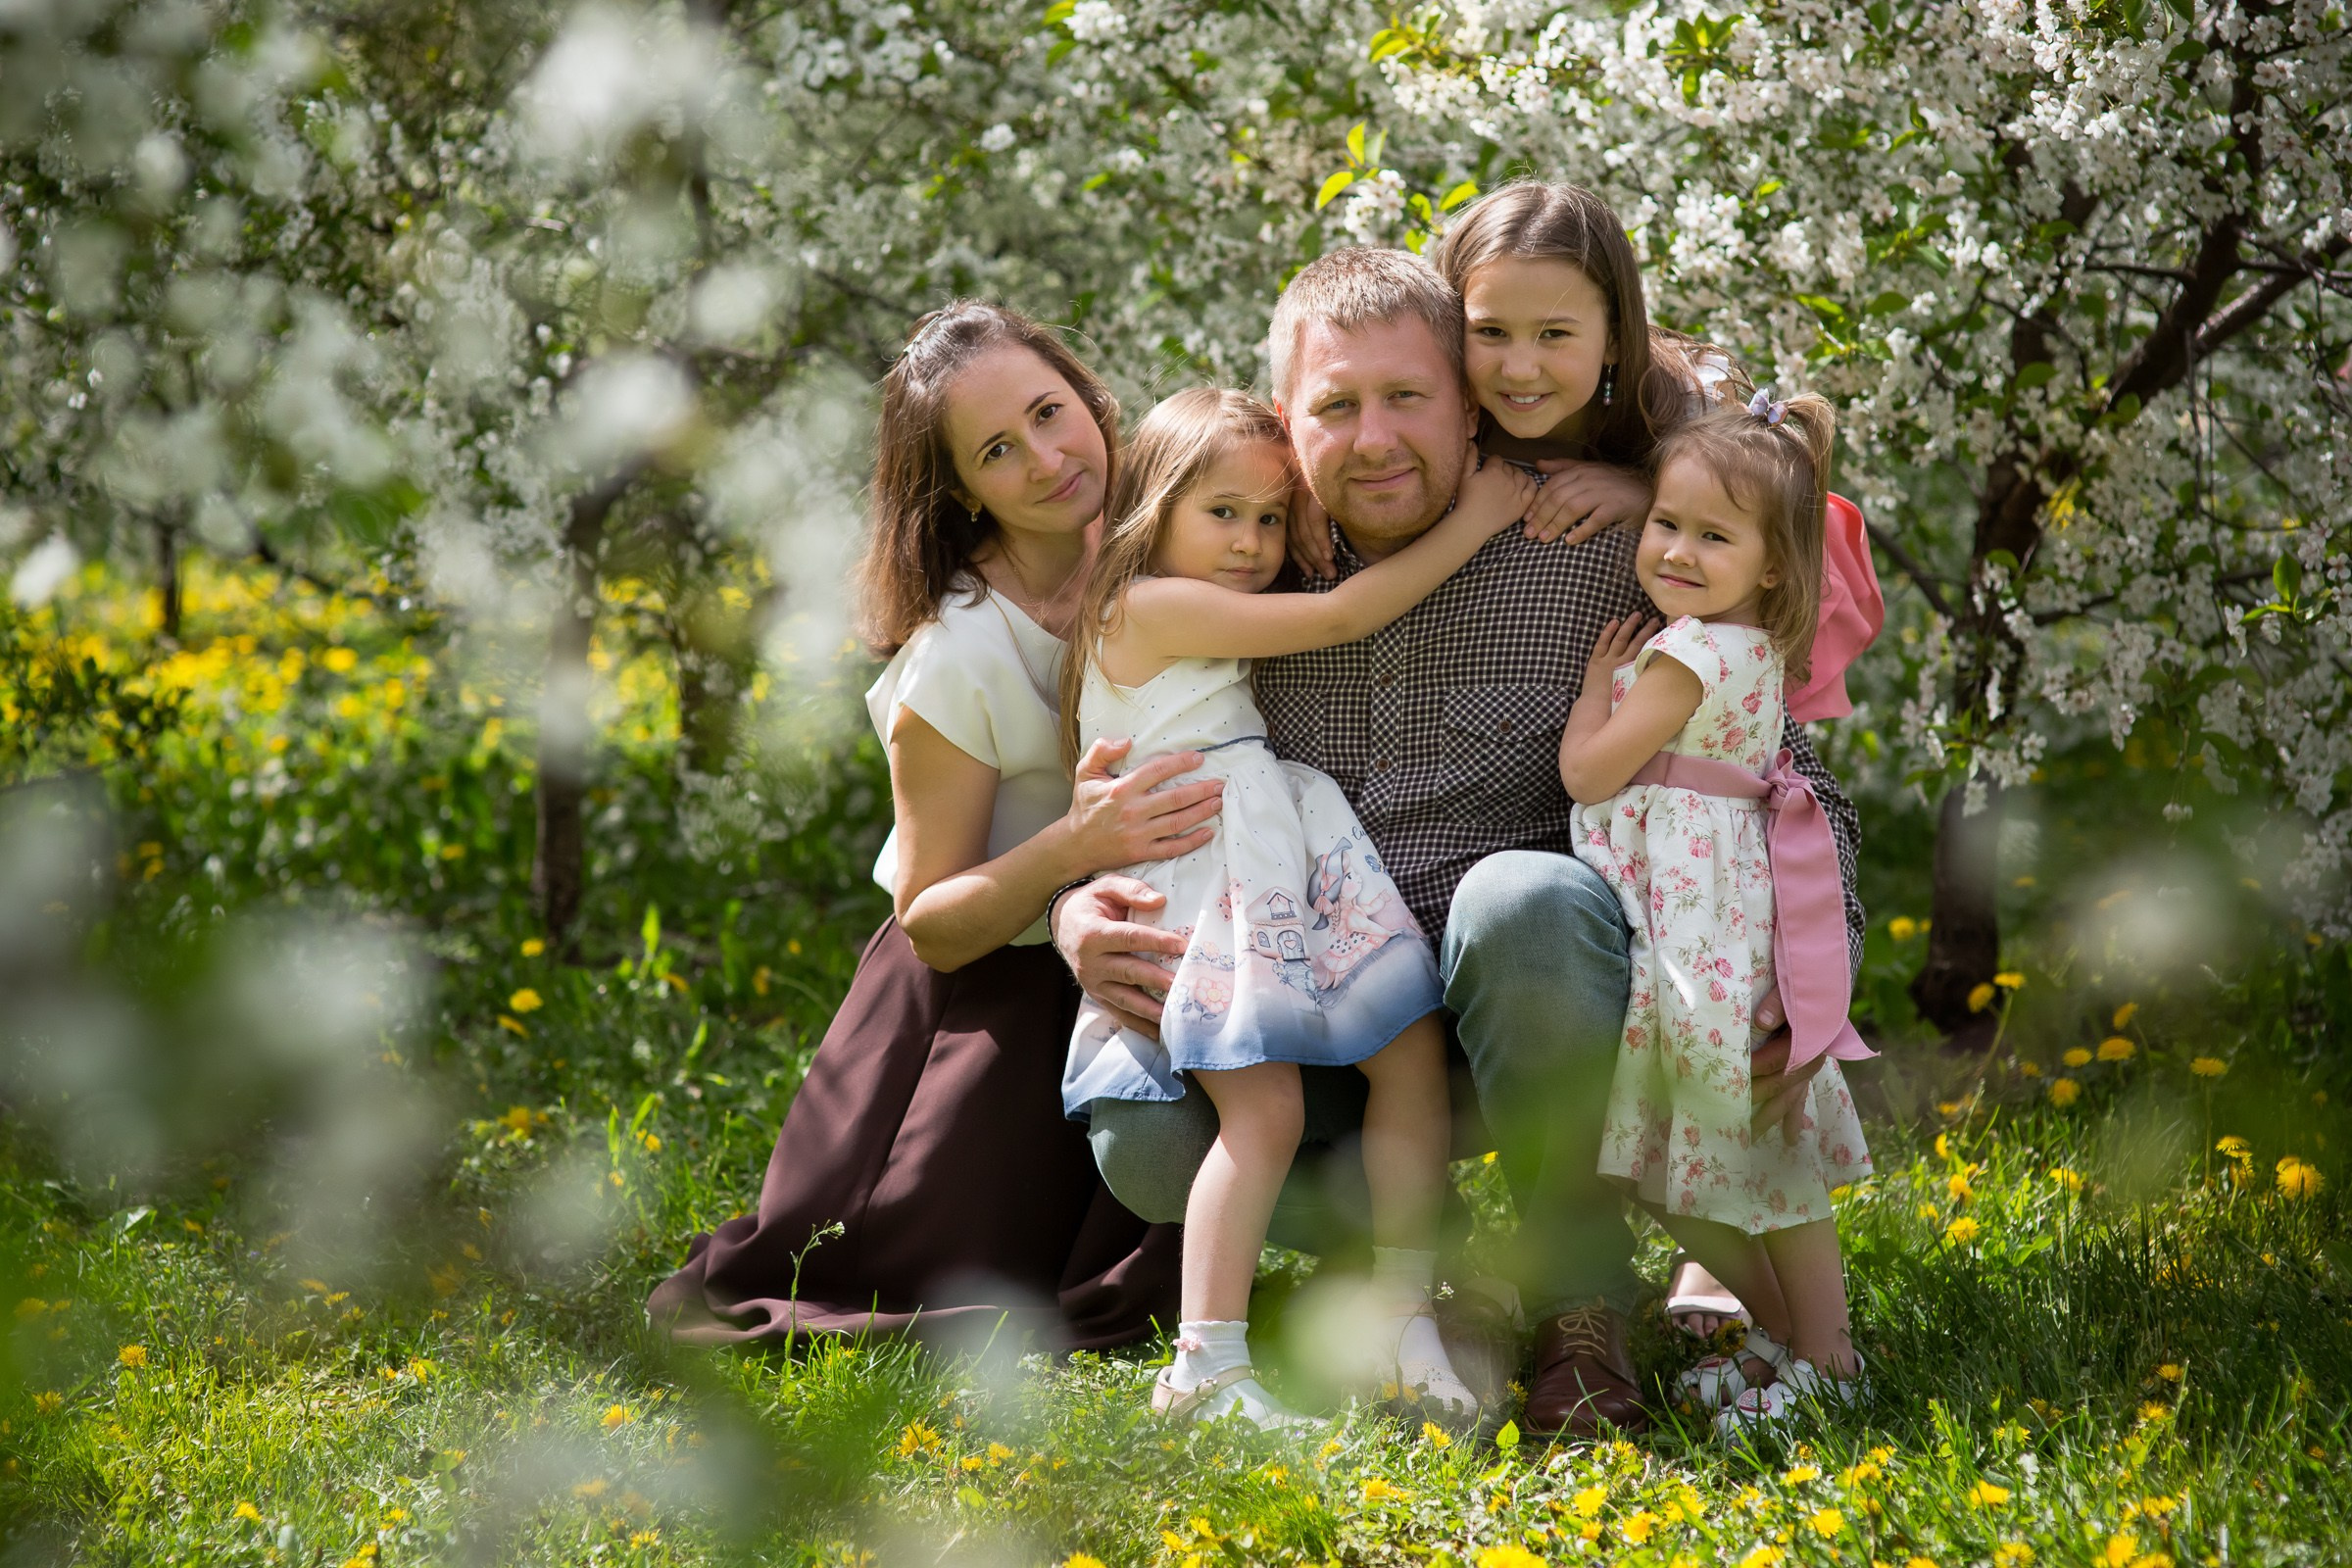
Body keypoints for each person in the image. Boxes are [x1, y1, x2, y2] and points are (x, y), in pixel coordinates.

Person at [1054, 237, 1865, 1439]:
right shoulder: (1236, 569)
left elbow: (1778, 774)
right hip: (1325, 1021)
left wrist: (1805, 972)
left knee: (1522, 900)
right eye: (1337, 406)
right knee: (1147, 1137)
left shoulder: (1601, 554)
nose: (1375, 438)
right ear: (1287, 418)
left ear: (1467, 399)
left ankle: (1574, 1291)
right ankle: (1421, 1267)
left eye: (1408, 397)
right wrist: (1076, 910)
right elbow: (1106, 772)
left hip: (1536, 1020)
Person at [647, 302, 1219, 1350]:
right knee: (946, 1282)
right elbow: (931, 920)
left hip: (1157, 949)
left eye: (1052, 413)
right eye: (1000, 451)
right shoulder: (956, 655)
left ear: (1089, 395)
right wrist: (1074, 849)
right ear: (960, 489)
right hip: (990, 994)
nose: (1048, 459)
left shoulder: (1170, 533)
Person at [1059, 387, 1533, 1428]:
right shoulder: (1137, 604)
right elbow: (1339, 615)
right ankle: (1205, 1367)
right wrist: (1480, 516)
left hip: (1276, 837)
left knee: (1406, 1052)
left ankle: (1403, 1310)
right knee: (1263, 1110)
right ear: (1154, 505)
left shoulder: (1188, 604)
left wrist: (1302, 515)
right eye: (1222, 513)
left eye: (1269, 519)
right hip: (1214, 865)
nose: (1249, 542)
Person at [1560, 389, 1873, 1433]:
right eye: (1667, 524)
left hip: (1703, 937)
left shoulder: (1686, 655)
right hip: (1718, 920)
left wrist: (1594, 690)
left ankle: (1829, 1355)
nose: (1679, 552)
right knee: (1716, 1154)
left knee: (1749, 1153)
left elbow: (1592, 775)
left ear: (1773, 565)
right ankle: (1787, 1340)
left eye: (1714, 535)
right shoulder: (1748, 650)